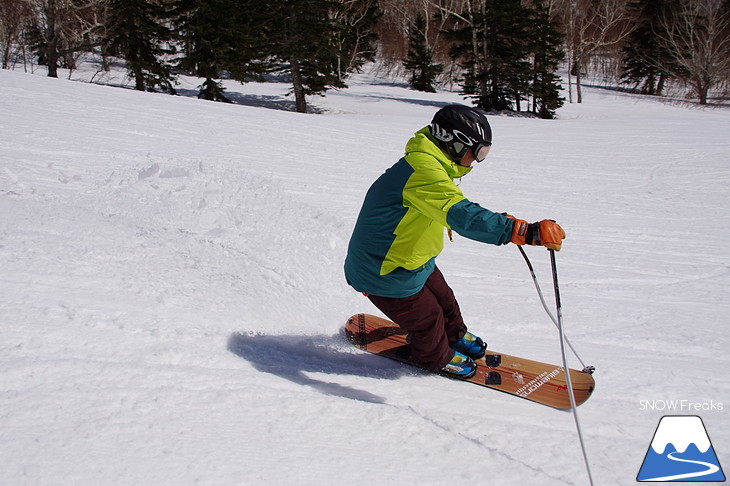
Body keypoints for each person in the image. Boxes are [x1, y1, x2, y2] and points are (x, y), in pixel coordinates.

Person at [344, 104, 565, 379]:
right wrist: (519, 230)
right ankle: (436, 356)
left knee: (445, 301)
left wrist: (503, 222)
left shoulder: (432, 164)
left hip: (412, 260)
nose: (476, 160)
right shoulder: (423, 172)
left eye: (483, 153)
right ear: (453, 143)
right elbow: (462, 215)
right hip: (382, 271)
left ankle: (454, 336)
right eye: (478, 152)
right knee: (427, 319)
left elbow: (451, 207)